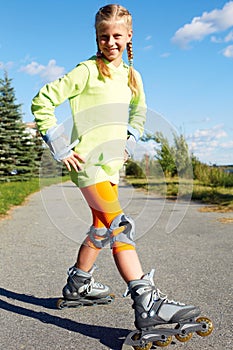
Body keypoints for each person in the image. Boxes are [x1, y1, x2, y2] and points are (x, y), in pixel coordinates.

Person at [32, 4, 199, 333]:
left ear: (129, 36)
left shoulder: (133, 76)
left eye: (116, 36)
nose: (110, 42)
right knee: (121, 226)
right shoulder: (87, 71)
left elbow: (139, 112)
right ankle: (147, 304)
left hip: (108, 166)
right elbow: (43, 99)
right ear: (96, 37)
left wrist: (129, 142)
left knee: (102, 227)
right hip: (86, 163)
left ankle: (79, 284)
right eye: (103, 36)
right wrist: (61, 145)